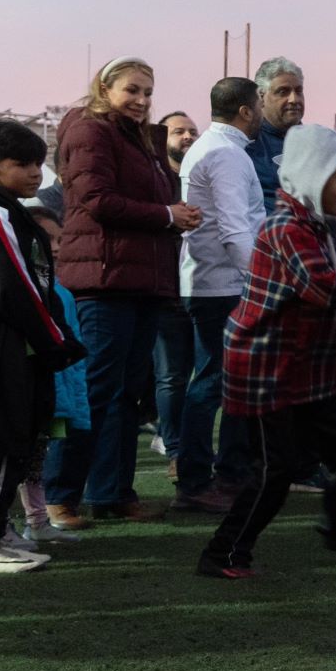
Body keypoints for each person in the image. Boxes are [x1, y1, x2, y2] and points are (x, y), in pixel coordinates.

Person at [200, 125, 336, 578]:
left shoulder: (314, 226)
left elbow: (333, 288)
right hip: (269, 367)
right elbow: (326, 288)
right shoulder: (287, 228)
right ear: (311, 176)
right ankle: (223, 553)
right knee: (274, 471)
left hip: (305, 366)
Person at [57, 57, 201, 521]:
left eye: (147, 93)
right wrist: (166, 215)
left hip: (137, 280)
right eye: (132, 91)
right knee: (97, 391)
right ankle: (61, 496)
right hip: (103, 280)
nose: (141, 101)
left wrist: (171, 213)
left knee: (122, 395)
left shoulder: (134, 136)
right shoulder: (88, 129)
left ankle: (112, 494)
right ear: (105, 87)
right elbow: (95, 200)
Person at [0, 119, 87, 573]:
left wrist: (56, 340)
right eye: (22, 164)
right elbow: (18, 291)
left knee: (20, 444)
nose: (36, 172)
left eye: (38, 162)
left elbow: (40, 288)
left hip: (22, 355)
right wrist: (56, 342)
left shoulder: (15, 215)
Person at [175, 77, 267, 513]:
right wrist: (259, 282)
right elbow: (235, 228)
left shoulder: (214, 149)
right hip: (224, 285)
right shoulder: (226, 154)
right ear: (247, 111)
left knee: (226, 381)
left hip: (213, 281)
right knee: (214, 381)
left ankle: (229, 471)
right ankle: (197, 479)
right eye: (261, 104)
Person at [21, 199, 91, 546]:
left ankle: (37, 521)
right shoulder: (23, 291)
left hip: (62, 393)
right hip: (35, 394)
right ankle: (8, 524)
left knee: (38, 458)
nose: (57, 247)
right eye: (46, 238)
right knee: (21, 459)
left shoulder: (59, 290)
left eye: (59, 238)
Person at [151, 111, 201, 480]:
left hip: (206, 288)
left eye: (192, 131)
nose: (187, 136)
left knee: (212, 374)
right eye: (179, 130)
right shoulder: (152, 181)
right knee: (171, 376)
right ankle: (176, 452)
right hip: (166, 291)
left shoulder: (206, 176)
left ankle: (203, 452)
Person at [246, 57, 305, 208]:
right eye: (283, 92)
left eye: (299, 91)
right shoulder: (246, 145)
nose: (294, 99)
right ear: (261, 97)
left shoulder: (317, 144)